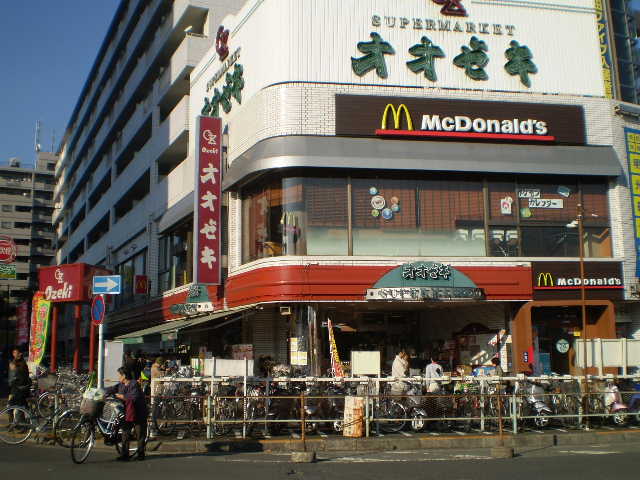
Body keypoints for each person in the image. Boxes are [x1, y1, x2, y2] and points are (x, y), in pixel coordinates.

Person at [105, 367, 148, 461]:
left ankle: (141, 454)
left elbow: (133, 397)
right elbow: (112, 389)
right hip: (128, 412)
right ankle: (125, 455)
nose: (118, 377)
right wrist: (101, 392)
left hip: (138, 412)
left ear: (124, 375)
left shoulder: (134, 384)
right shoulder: (121, 384)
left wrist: (121, 396)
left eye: (119, 375)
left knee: (139, 434)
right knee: (125, 433)